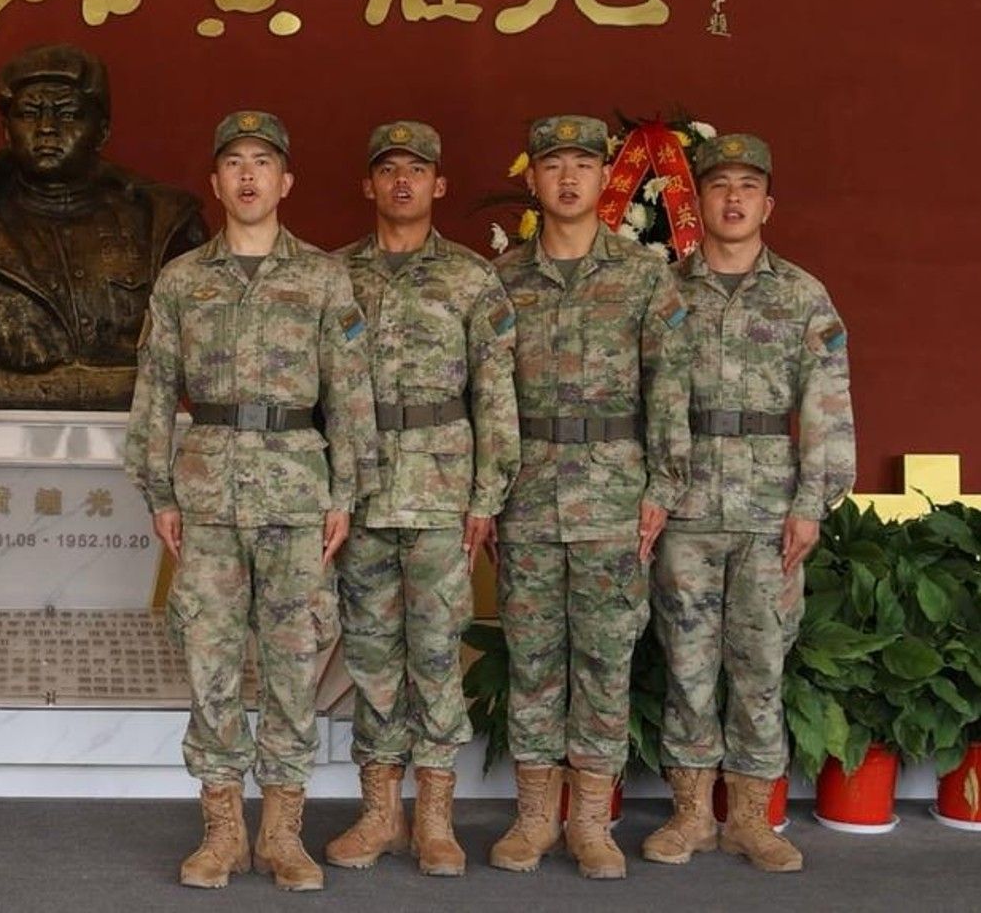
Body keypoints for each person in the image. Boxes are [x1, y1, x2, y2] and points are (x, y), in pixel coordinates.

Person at [125, 110, 376, 891]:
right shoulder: (182, 280)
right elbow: (154, 392)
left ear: (284, 181)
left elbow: (350, 394)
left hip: (296, 493)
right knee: (210, 665)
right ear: (214, 180)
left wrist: (345, 491)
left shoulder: (323, 278)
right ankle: (222, 833)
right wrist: (157, 490)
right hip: (206, 493)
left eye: (261, 162)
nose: (246, 175)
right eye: (233, 162)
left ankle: (283, 834)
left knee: (293, 665)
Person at [643, 133, 854, 873]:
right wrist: (653, 492)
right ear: (696, 202)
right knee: (686, 663)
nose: (733, 199)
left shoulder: (801, 295)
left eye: (747, 187)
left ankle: (751, 821)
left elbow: (827, 401)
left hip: (770, 510)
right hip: (686, 506)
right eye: (718, 185)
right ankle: (690, 816)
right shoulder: (666, 292)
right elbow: (641, 399)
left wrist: (812, 502)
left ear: (768, 204)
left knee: (761, 664)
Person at [487, 115, 691, 880]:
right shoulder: (501, 281)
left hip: (613, 498)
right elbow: (483, 396)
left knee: (604, 661)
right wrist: (488, 491)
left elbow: (668, 388)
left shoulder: (642, 277)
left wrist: (662, 485)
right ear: (533, 181)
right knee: (532, 660)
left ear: (605, 179)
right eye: (552, 165)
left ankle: (590, 823)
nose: (567, 178)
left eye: (581, 164)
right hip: (528, 495)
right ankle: (533, 817)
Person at [326, 121, 520, 876]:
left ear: (439, 184)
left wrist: (487, 496)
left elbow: (494, 393)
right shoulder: (333, 276)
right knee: (370, 656)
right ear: (367, 185)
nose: (401, 182)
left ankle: (436, 820)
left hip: (441, 496)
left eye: (416, 170)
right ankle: (380, 814)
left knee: (437, 655)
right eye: (388, 170)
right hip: (362, 494)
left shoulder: (472, 280)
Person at [0, 43, 206, 408]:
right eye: (29, 113)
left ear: (102, 131)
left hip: (134, 431)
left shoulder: (162, 224)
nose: (47, 128)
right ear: (6, 131)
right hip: (0, 434)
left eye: (67, 114)